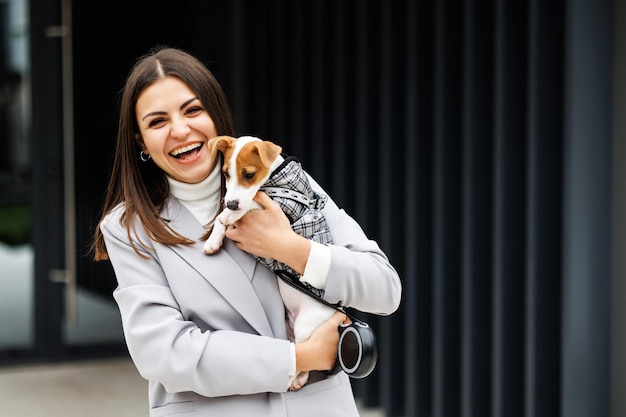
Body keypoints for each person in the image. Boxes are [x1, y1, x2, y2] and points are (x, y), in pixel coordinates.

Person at [91, 45, 402, 417]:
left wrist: (291, 249)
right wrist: (297, 357)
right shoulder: (130, 228)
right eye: (157, 122)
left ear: (216, 116)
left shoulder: (287, 184)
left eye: (193, 110)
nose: (180, 130)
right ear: (141, 142)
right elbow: (163, 353)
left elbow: (385, 289)